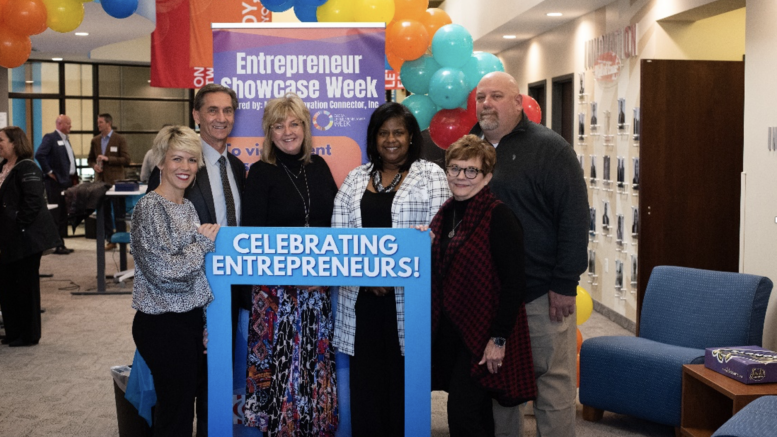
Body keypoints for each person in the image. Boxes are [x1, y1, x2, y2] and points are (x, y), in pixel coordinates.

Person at [470, 72, 589, 437]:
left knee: (552, 387)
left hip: (540, 295)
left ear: (519, 102)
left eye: (497, 96)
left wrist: (565, 284)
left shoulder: (550, 149)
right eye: (481, 98)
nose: (487, 103)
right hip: (489, 296)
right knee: (499, 389)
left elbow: (574, 218)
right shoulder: (470, 149)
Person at [332, 102, 450, 436]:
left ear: (411, 136)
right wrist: (369, 277)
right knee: (366, 387)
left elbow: (436, 236)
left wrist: (390, 276)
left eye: (398, 132)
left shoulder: (431, 175)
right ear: (374, 138)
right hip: (361, 301)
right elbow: (340, 237)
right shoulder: (356, 178)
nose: (391, 139)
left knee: (405, 385)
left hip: (409, 302)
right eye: (383, 133)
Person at [241, 93, 339, 436]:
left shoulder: (321, 167)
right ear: (268, 132)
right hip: (276, 296)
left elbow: (338, 228)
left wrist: (323, 276)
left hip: (318, 294)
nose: (287, 131)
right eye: (278, 125)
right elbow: (251, 241)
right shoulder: (260, 173)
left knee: (314, 378)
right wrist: (296, 278)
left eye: (294, 123)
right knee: (281, 383)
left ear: (305, 127)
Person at [429, 134, 536, 437]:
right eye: (455, 169)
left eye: (471, 170)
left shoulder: (498, 216)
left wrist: (498, 339)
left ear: (487, 176)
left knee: (464, 413)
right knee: (469, 410)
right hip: (450, 329)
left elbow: (515, 283)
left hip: (483, 333)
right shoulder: (446, 212)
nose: (461, 177)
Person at [131, 125, 220, 437]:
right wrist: (202, 246)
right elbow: (163, 273)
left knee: (183, 409)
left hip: (189, 321)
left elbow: (194, 273)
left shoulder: (188, 206)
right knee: (175, 415)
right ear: (160, 162)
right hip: (162, 324)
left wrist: (207, 320)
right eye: (177, 159)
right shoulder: (149, 207)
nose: (185, 168)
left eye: (192, 160)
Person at [147, 84, 247, 353]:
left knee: (221, 369)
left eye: (227, 111)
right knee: (187, 374)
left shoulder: (237, 167)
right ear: (196, 115)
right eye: (212, 110)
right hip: (186, 289)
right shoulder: (181, 165)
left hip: (230, 282)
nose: (221, 118)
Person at [0, 127, 61, 347]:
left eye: (2, 140)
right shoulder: (4, 167)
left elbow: (33, 202)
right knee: (7, 286)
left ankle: (29, 335)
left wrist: (17, 226)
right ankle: (13, 331)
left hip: (25, 239)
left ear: (15, 143)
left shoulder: (28, 168)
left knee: (25, 288)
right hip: (8, 239)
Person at [35, 114, 78, 254]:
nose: (70, 126)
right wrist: (49, 171)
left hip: (67, 181)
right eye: (68, 123)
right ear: (59, 124)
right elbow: (39, 154)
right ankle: (56, 244)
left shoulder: (66, 139)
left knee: (64, 213)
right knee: (57, 214)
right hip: (55, 183)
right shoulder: (51, 138)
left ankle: (61, 243)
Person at [88, 113, 130, 250]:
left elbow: (126, 159)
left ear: (108, 123)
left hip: (116, 182)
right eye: (98, 122)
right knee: (104, 211)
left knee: (119, 212)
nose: (98, 125)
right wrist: (94, 165)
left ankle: (122, 238)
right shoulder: (95, 141)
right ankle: (109, 239)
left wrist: (108, 159)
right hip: (101, 182)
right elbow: (90, 159)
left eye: (100, 122)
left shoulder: (119, 139)